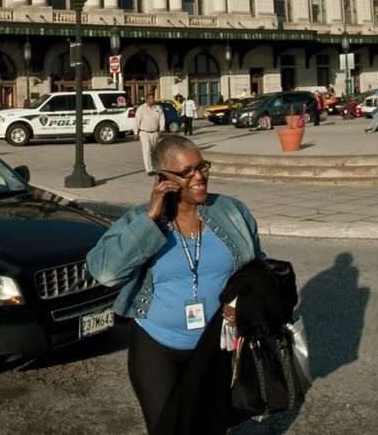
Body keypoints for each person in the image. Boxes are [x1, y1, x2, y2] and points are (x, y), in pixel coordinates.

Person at [87, 136, 264, 435]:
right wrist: (151, 218)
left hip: (215, 347)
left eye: (202, 167)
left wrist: (240, 302)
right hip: (157, 348)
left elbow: (257, 270)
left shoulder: (233, 212)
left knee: (210, 427)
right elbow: (104, 271)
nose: (200, 176)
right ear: (163, 180)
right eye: (187, 172)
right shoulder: (142, 219)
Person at [133, 94, 165, 174]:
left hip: (154, 132)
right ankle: (149, 169)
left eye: (153, 98)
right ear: (146, 100)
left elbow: (162, 119)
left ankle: (154, 167)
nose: (153, 100)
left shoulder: (158, 108)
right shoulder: (141, 109)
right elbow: (137, 120)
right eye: (150, 99)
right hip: (144, 132)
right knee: (147, 150)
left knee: (154, 151)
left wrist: (161, 129)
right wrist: (135, 132)